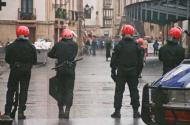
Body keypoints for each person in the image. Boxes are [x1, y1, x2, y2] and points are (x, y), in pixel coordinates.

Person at [4, 26, 37, 119]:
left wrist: (14, 63)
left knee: (11, 90)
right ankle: (21, 112)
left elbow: (7, 59)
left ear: (17, 34)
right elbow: (34, 61)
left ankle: (7, 111)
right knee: (23, 90)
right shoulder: (31, 46)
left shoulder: (10, 46)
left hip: (14, 70)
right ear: (27, 34)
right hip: (26, 72)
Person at [110, 24, 141, 119]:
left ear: (122, 33)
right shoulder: (136, 46)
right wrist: (138, 73)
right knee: (134, 91)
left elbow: (114, 60)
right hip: (133, 73)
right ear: (132, 34)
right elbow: (140, 62)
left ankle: (117, 112)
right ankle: (136, 112)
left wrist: (113, 71)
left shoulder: (119, 45)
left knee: (119, 92)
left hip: (121, 72)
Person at [48, 29, 78, 119]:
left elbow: (50, 54)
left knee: (60, 90)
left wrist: (58, 55)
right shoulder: (75, 45)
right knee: (69, 90)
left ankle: (61, 110)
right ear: (71, 37)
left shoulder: (58, 44)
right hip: (70, 70)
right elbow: (74, 54)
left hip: (60, 70)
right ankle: (67, 111)